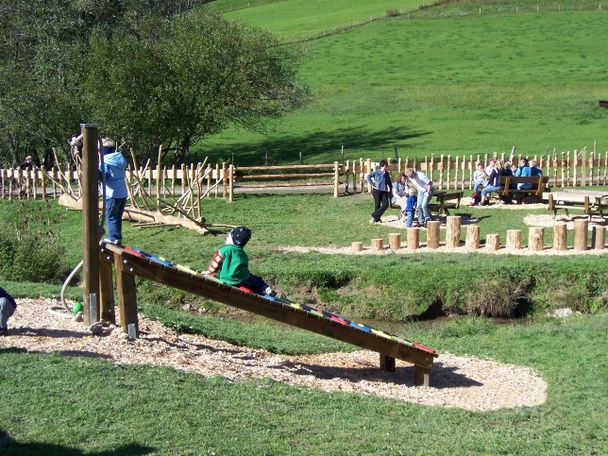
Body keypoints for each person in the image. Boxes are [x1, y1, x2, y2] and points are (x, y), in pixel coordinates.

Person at [207, 226, 275, 296]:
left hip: (226, 279)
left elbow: (215, 262)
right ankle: (266, 289)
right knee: (257, 280)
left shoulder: (225, 250)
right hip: (243, 279)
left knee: (251, 280)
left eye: (228, 236)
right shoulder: (243, 253)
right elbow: (244, 267)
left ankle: (262, 291)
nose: (226, 238)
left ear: (233, 239)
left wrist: (209, 271)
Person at [98, 138, 128, 245]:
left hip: (112, 193)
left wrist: (96, 171)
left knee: (111, 216)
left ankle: (113, 238)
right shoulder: (119, 159)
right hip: (123, 193)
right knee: (117, 217)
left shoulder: (106, 161)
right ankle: (117, 238)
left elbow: (105, 176)